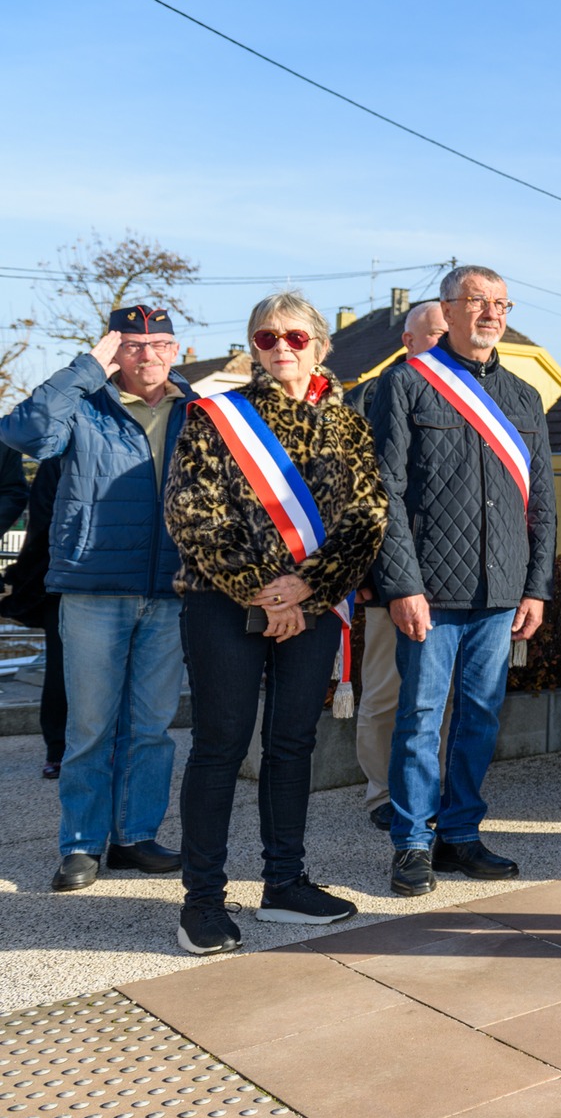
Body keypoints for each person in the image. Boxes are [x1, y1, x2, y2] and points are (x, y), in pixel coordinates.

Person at [164, 291, 388, 953]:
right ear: (253, 349)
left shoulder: (348, 426)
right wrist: (267, 594)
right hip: (222, 604)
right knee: (220, 745)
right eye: (265, 339)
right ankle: (202, 900)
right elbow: (193, 513)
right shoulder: (214, 416)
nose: (280, 348)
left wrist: (308, 590)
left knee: (292, 745)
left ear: (320, 344)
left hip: (312, 609)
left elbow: (365, 519)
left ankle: (284, 883)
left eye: (293, 337)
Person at [371, 264, 556, 896]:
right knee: (421, 717)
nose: (491, 314)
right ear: (447, 310)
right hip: (429, 591)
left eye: (501, 303)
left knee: (481, 717)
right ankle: (413, 843)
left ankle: (460, 835)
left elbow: (542, 506)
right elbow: (385, 494)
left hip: (501, 593)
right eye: (478, 302)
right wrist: (401, 584)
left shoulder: (525, 397)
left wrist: (536, 588)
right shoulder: (404, 385)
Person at [1, 304, 193, 893]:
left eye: (160, 343)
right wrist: (88, 365)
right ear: (113, 350)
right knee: (89, 727)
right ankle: (81, 845)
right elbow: (23, 429)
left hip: (171, 591)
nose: (149, 355)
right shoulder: (82, 406)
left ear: (176, 349)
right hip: (92, 588)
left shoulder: (200, 412)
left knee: (152, 726)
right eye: (133, 345)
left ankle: (134, 837)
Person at [344, 299, 447, 831]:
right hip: (390, 577)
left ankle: (435, 786)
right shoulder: (371, 394)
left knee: (443, 698)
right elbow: (357, 494)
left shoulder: (474, 394)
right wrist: (363, 573)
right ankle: (382, 791)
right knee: (386, 691)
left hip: (455, 581)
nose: (443, 342)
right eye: (433, 335)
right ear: (406, 341)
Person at [0, 453, 67, 778]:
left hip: (65, 578)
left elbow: (38, 526)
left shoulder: (55, 459)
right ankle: (60, 748)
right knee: (61, 668)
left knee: (61, 666)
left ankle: (59, 750)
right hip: (63, 579)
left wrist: (20, 579)